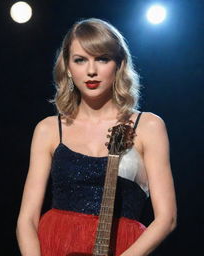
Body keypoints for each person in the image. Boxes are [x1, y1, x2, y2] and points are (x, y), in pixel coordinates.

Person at [16, 18, 177, 256]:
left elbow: (167, 218)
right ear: (68, 68)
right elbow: (27, 219)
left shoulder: (148, 126)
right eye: (80, 60)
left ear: (119, 64)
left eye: (102, 59)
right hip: (55, 245)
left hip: (122, 248)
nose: (91, 70)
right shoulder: (48, 129)